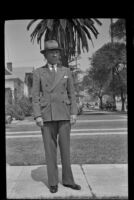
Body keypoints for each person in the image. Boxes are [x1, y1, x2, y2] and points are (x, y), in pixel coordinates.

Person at [32, 40, 81, 193]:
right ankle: (53, 182)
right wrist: (37, 115)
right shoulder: (38, 72)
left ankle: (68, 180)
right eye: (51, 52)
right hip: (47, 115)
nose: (55, 54)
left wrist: (73, 112)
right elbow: (34, 96)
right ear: (45, 55)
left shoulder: (66, 71)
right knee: (49, 150)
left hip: (64, 113)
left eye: (57, 52)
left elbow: (72, 93)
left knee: (66, 149)